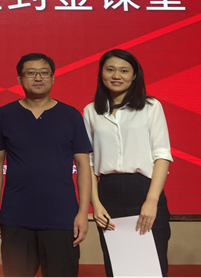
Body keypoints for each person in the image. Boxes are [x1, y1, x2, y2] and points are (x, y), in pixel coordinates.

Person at [0, 53, 92, 278]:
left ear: (53, 78)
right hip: (16, 216)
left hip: (62, 218)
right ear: (19, 78)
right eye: (31, 73)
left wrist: (83, 213)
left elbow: (83, 165)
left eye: (44, 73)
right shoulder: (4, 115)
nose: (38, 78)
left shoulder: (71, 115)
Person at [82, 49, 172, 278]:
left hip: (144, 189)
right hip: (108, 192)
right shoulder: (91, 111)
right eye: (110, 69)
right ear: (101, 73)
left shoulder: (151, 107)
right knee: (118, 266)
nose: (116, 76)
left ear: (134, 75)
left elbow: (162, 155)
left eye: (124, 71)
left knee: (152, 265)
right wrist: (95, 204)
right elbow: (88, 163)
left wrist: (151, 201)